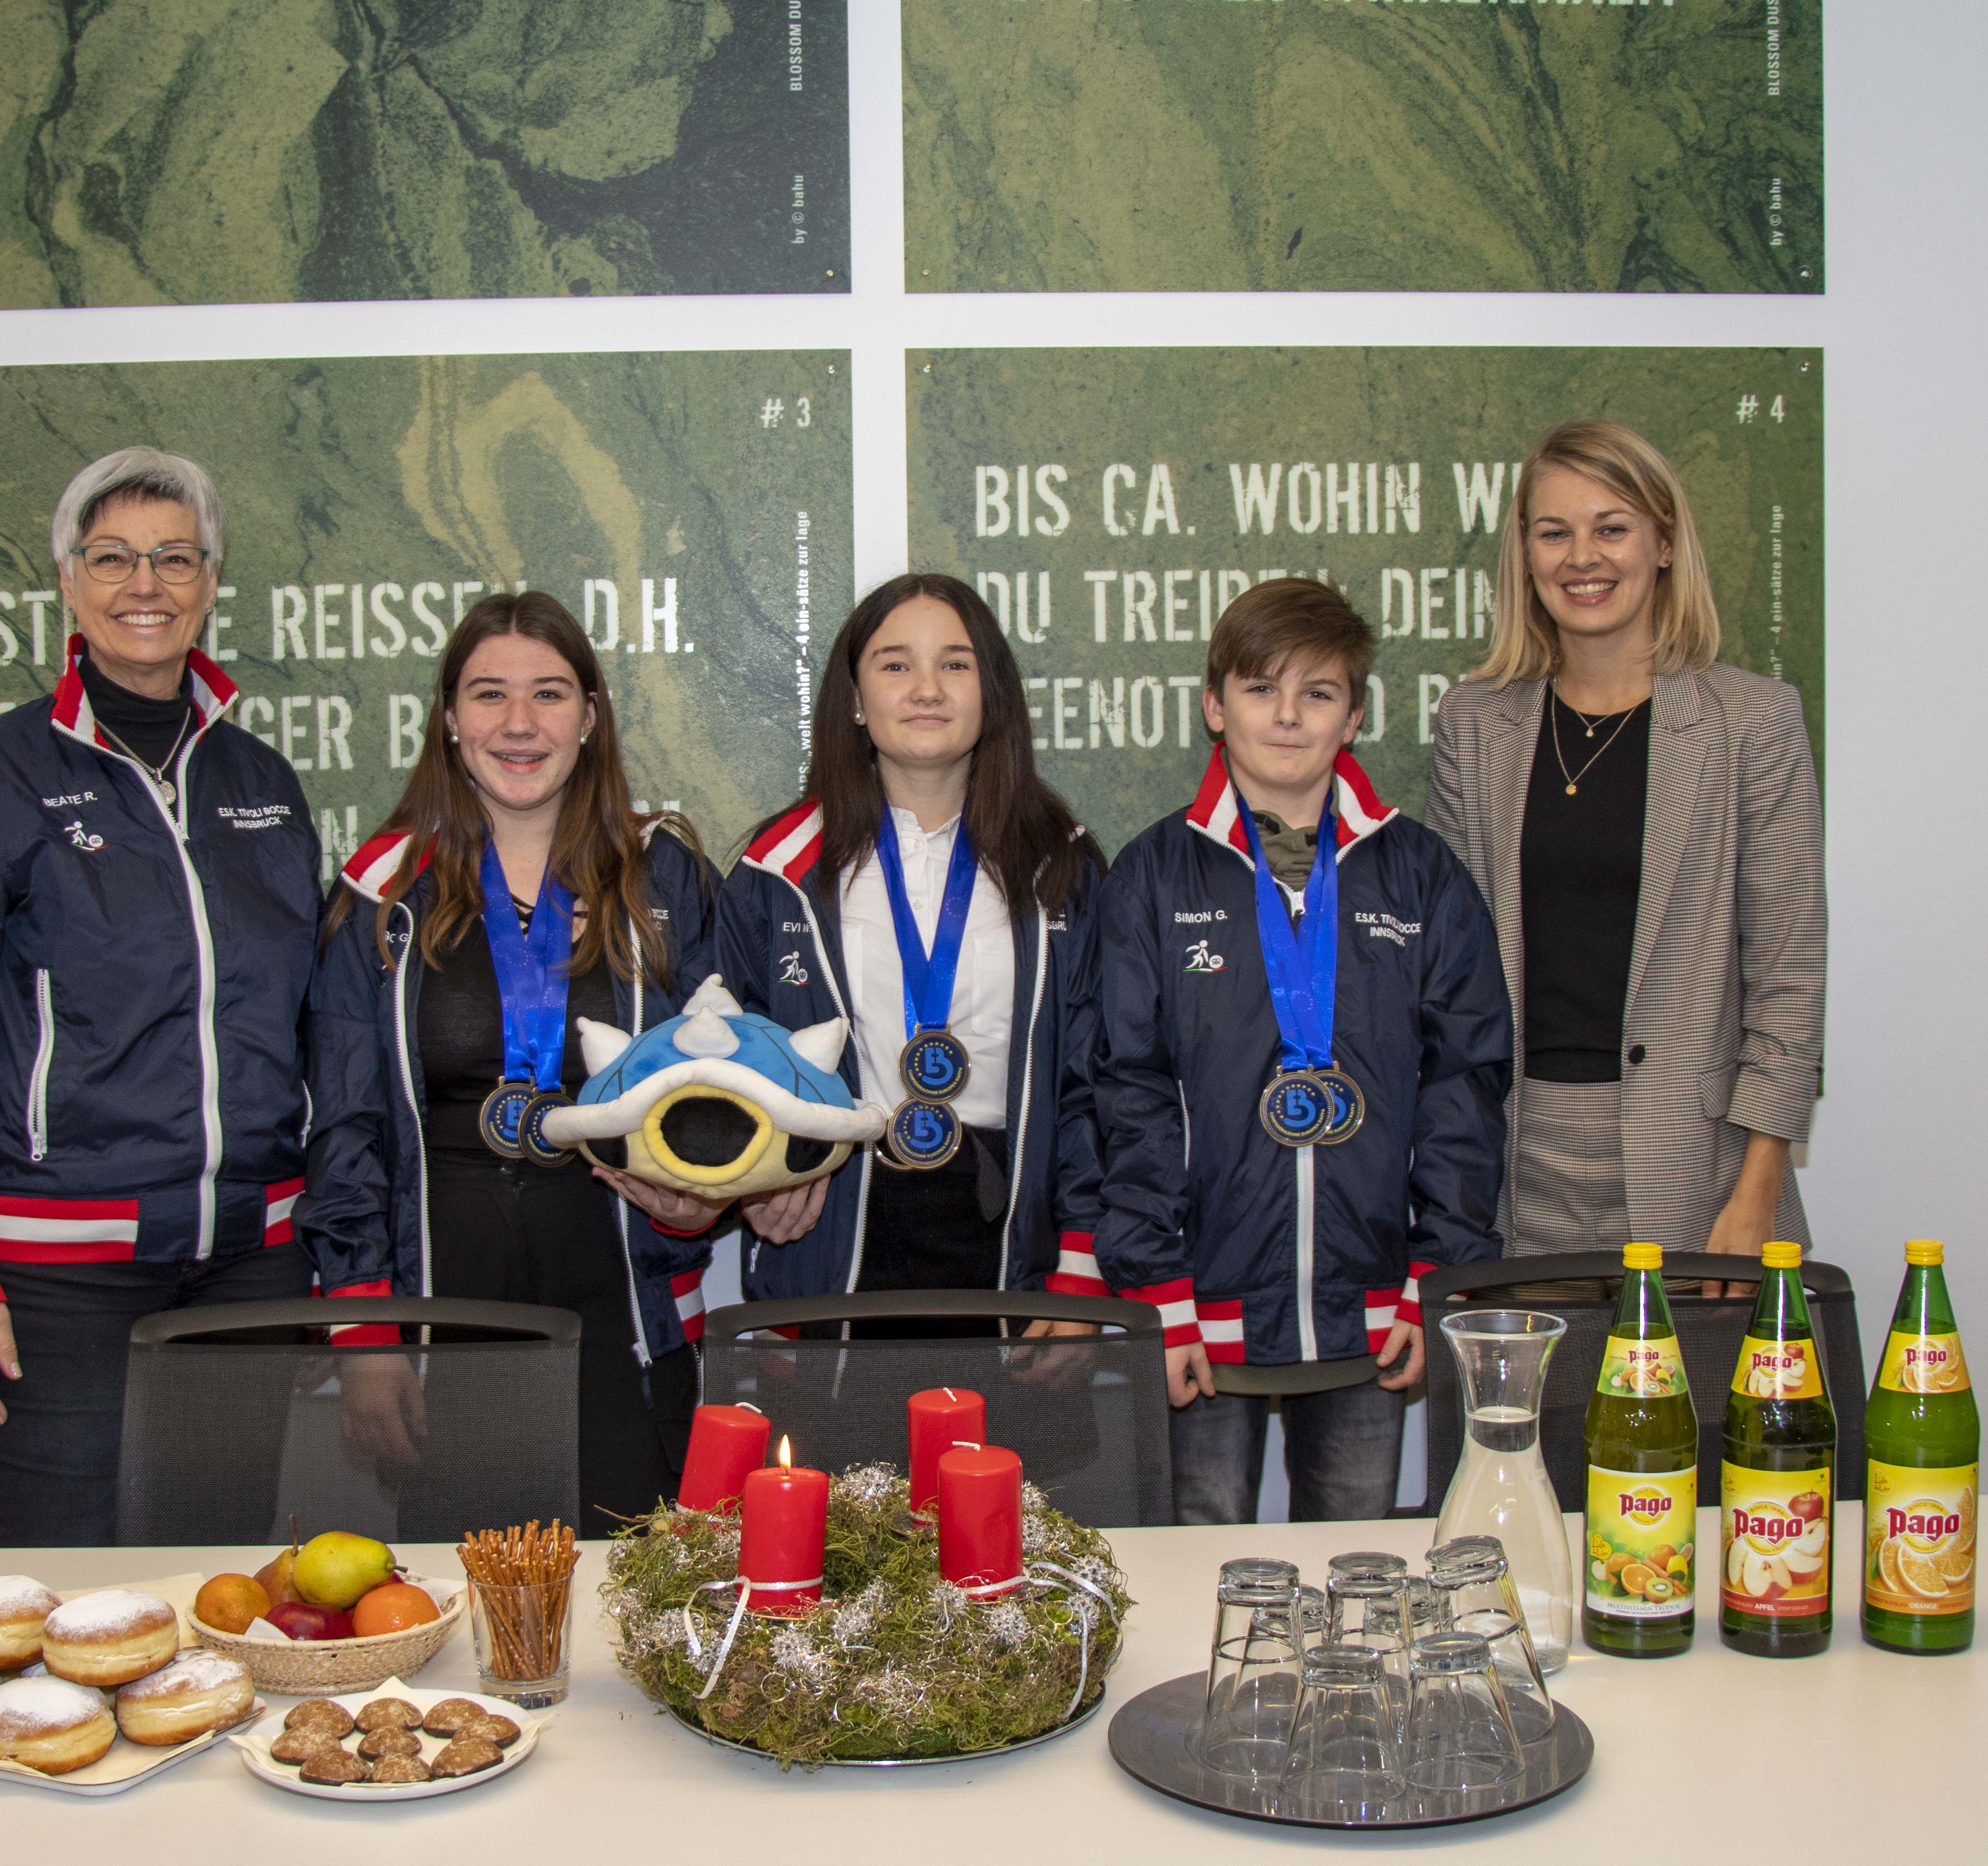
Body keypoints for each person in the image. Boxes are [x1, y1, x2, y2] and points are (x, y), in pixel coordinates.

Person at [0, 449, 321, 1546]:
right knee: (66, 1583)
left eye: (175, 558)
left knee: (224, 1580)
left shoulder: (263, 782)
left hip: (249, 1263)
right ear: (68, 582)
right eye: (113, 556)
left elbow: (313, 1018)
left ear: (212, 582)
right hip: (55, 1272)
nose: (146, 584)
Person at [1093, 578, 1513, 1522]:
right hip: (1202, 1311)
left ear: (1355, 714)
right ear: (1213, 705)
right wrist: (1158, 1294)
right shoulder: (1151, 879)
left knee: (1358, 1580)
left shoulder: (1421, 875)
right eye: (1259, 688)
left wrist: (1431, 1281)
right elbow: (1126, 1092)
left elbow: (1466, 1089)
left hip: (1373, 1310)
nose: (1287, 715)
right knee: (1202, 1579)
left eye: (1318, 693)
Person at [301, 592, 720, 1528]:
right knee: (472, 1607)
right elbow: (343, 1126)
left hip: (624, 1301)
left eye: (550, 694)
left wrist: (703, 1198)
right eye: (490, 695)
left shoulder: (666, 875)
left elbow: (723, 1080)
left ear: (591, 716)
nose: (520, 724)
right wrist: (366, 1329)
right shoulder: (382, 890)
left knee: (633, 1594)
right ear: (449, 719)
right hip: (445, 1310)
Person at [1422, 420, 1827, 1275]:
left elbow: (1790, 979)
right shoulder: (1473, 725)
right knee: (1535, 1415)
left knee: (1701, 1415)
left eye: (1612, 528)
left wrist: (1756, 1194)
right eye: (1554, 531)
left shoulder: (1751, 724)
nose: (1583, 558)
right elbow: (1451, 981)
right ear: (1525, 555)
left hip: (1704, 1173)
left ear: (1666, 543)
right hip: (1514, 1171)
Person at [718, 576, 1107, 1332]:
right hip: (831, 1234)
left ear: (992, 694)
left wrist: (1083, 1263)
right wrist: (759, 1173)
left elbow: (1096, 1078)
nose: (927, 688)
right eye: (896, 665)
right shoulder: (777, 872)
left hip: (1015, 1240)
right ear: (855, 701)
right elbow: (728, 1056)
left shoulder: (1063, 864)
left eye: (956, 665)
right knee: (839, 1453)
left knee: (1003, 1453)